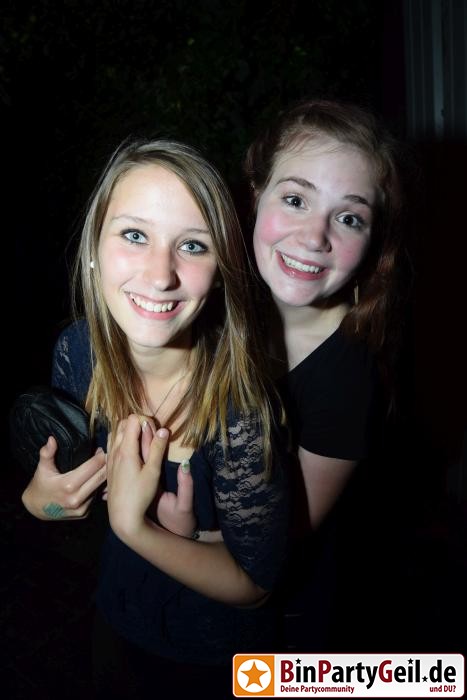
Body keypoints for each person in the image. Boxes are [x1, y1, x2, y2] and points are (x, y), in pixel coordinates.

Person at [21, 138, 288, 698]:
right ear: (94, 247)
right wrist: (42, 500)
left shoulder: (241, 410)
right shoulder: (78, 353)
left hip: (218, 662)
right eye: (135, 235)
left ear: (221, 271)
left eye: (192, 245)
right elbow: (63, 501)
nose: (161, 275)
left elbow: (256, 587)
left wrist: (136, 528)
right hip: (117, 620)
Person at [242, 98, 407, 649]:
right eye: (295, 199)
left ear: (373, 241)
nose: (315, 237)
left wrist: (149, 523)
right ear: (255, 194)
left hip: (280, 632)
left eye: (349, 217)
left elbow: (276, 545)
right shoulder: (215, 304)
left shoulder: (347, 379)